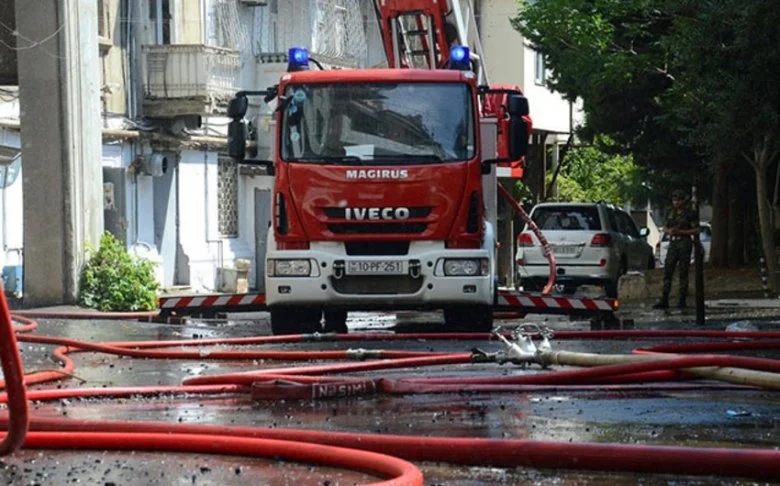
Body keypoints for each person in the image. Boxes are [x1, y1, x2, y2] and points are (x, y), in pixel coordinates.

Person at [653, 189, 699, 309]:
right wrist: (670, 231)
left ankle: (682, 299)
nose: (676, 202)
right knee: (668, 271)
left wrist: (681, 231)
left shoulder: (689, 213)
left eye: (678, 200)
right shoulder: (670, 212)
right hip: (673, 242)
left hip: (684, 242)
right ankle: (664, 298)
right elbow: (665, 227)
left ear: (683, 200)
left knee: (683, 272)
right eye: (674, 200)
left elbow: (696, 230)